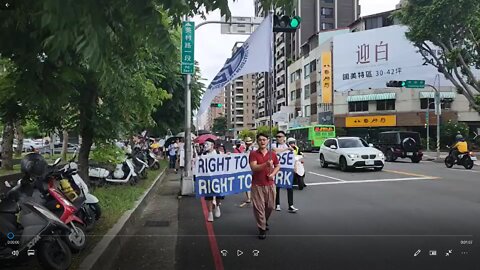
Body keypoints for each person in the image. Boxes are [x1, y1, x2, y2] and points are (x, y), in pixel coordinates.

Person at [249, 133, 280, 239]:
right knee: (259, 208)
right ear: (257, 141)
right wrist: (265, 164)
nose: (262, 141)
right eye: (260, 140)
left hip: (270, 184)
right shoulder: (253, 154)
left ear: (267, 141)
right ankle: (261, 228)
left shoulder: (273, 154)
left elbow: (277, 166)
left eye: (264, 139)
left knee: (270, 206)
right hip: (257, 185)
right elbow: (254, 167)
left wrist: (272, 174)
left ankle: (264, 220)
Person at [272, 131, 299, 213]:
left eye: (280, 136)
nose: (278, 138)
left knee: (289, 186)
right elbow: (276, 151)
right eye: (277, 136)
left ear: (284, 137)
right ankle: (277, 204)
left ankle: (290, 205)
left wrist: (295, 166)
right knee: (277, 186)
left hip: (287, 169)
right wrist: (287, 149)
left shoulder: (288, 145)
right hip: (277, 168)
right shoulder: (274, 145)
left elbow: (293, 156)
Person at [203, 138, 224, 222]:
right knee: (208, 197)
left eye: (206, 144)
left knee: (219, 196)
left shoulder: (219, 153)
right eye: (204, 144)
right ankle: (210, 213)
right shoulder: (203, 155)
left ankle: (217, 206)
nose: (205, 146)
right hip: (207, 179)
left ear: (212, 145)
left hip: (218, 179)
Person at [239, 137, 254, 208]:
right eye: (247, 143)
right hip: (246, 168)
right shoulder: (244, 150)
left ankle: (253, 196)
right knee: (247, 183)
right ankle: (249, 197)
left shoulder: (255, 149)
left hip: (254, 167)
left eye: (250, 143)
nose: (249, 145)